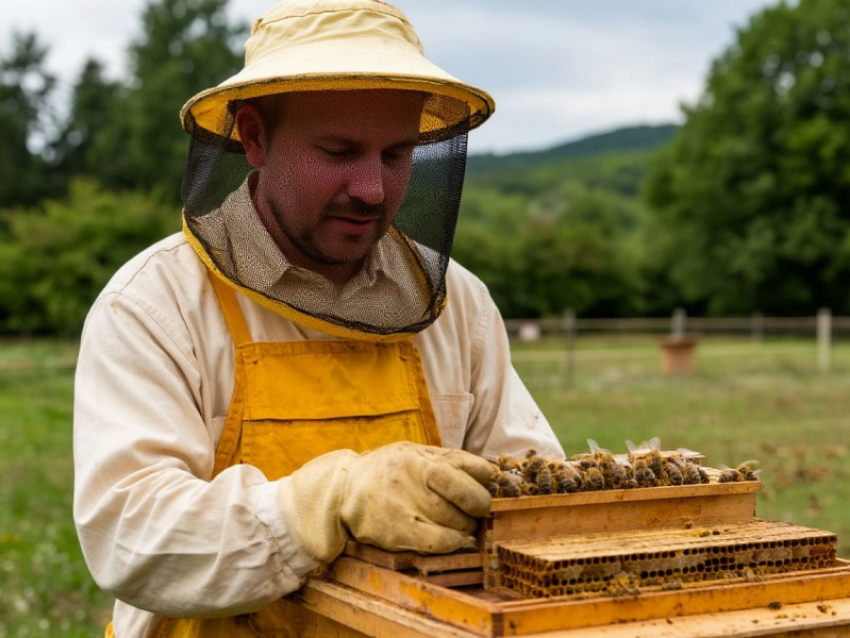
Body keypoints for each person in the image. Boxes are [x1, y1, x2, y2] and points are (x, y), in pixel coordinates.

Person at [73, 0, 565, 636]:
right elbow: (129, 536)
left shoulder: (459, 304)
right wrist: (326, 502)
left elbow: (532, 494)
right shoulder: (152, 304)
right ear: (254, 137)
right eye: (338, 151)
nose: (372, 188)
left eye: (396, 154)